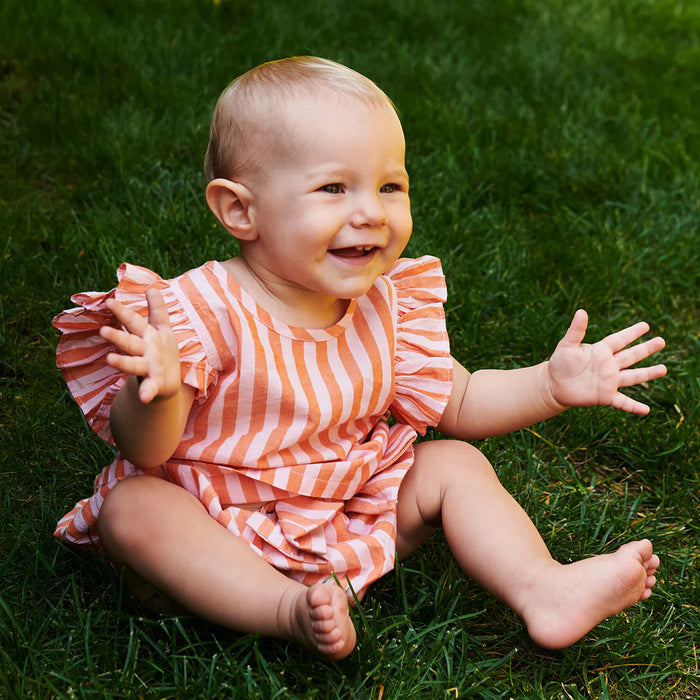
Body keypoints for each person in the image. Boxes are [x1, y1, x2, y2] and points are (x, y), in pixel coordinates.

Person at [53, 56, 666, 661]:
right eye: (333, 188)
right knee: (134, 510)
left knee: (453, 462)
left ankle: (544, 588)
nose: (371, 210)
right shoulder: (197, 312)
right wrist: (152, 393)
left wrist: (549, 387)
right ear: (241, 210)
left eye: (390, 186)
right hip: (216, 524)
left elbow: (459, 402)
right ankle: (284, 609)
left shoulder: (387, 305)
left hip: (348, 508)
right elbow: (146, 451)